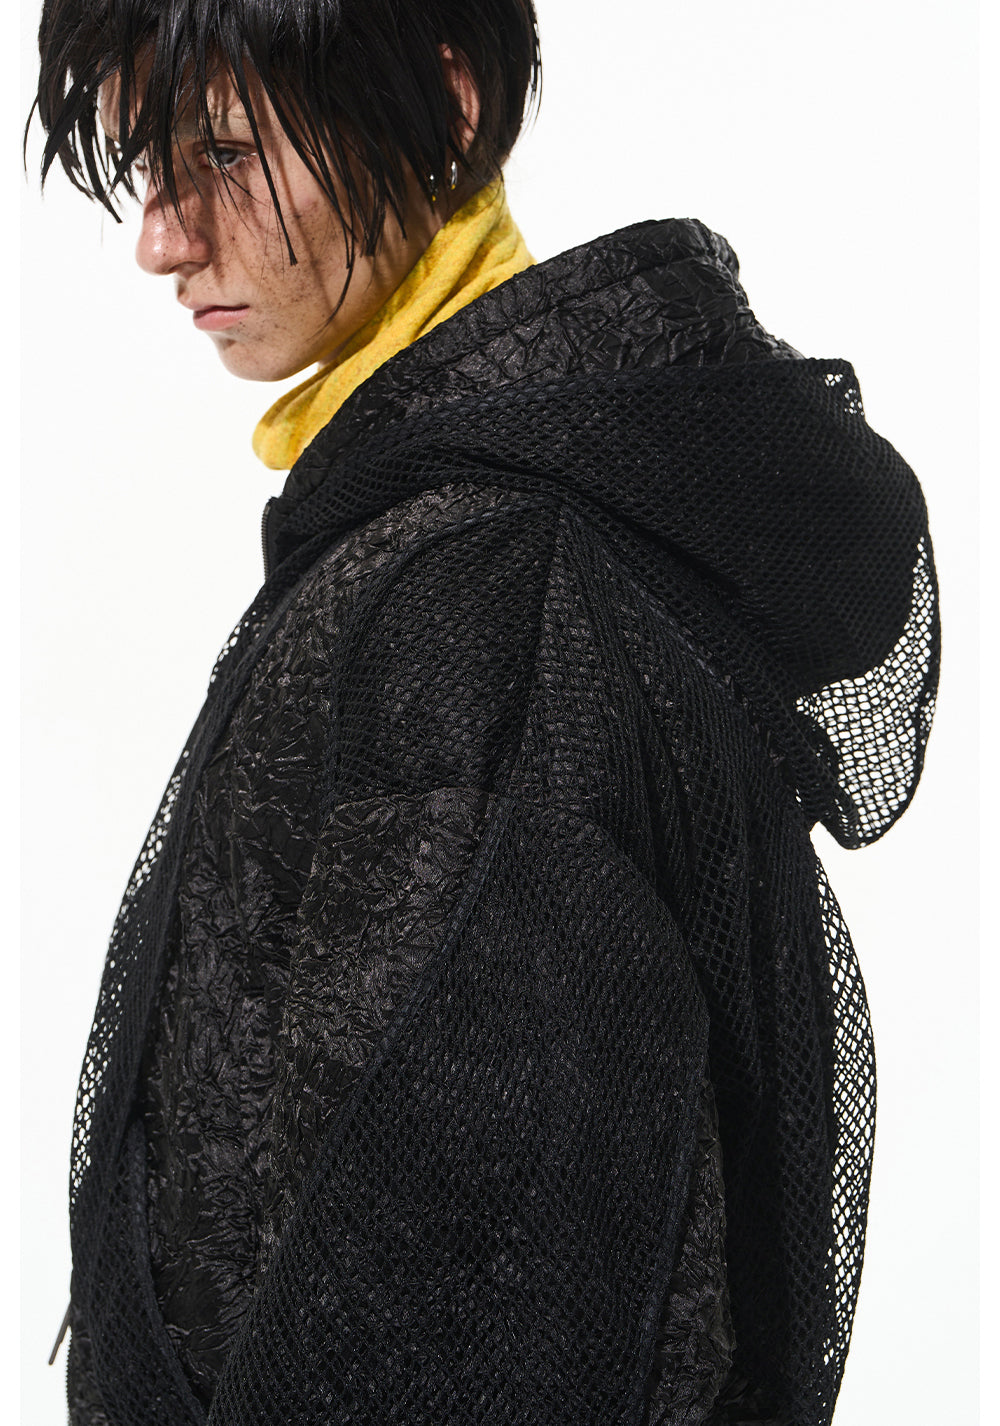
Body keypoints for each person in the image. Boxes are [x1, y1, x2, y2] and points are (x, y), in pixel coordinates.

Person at [31, 1, 940, 1423]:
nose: (162, 238)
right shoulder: (487, 520)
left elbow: (462, 1320)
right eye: (149, 167)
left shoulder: (476, 592)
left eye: (222, 153)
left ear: (447, 105)